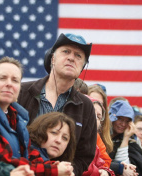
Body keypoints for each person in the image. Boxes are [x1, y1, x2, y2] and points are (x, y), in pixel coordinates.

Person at [18, 33, 97, 175]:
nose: (71, 58)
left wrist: (67, 171)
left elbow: (84, 156)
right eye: (66, 51)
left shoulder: (86, 106)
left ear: (83, 67)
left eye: (78, 56)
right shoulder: (22, 91)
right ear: (52, 58)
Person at [0, 56, 69, 175]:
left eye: (15, 80)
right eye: (2, 78)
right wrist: (53, 170)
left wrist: (52, 165)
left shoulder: (19, 118)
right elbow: (4, 162)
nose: (9, 84)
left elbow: (30, 154)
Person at [109, 100, 142, 175]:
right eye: (120, 119)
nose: (123, 124)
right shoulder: (101, 137)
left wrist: (126, 138)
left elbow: (127, 169)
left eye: (127, 121)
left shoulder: (132, 142)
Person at [83, 95, 115, 176]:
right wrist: (98, 171)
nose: (95, 119)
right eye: (92, 113)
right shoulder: (71, 135)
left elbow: (105, 161)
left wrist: (106, 172)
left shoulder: (95, 139)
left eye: (99, 117)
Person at [88, 85, 113, 154]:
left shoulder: (104, 136)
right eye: (92, 101)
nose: (96, 106)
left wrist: (120, 164)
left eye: (100, 104)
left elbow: (104, 161)